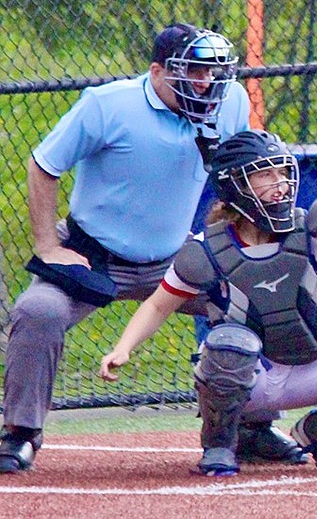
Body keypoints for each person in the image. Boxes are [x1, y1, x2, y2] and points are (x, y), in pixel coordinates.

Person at [0, 24, 299, 475]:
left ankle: (249, 428)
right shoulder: (108, 105)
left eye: (212, 73)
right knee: (38, 311)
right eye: (193, 72)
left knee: (255, 301)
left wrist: (235, 245)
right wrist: (47, 245)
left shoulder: (231, 99)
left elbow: (235, 177)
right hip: (93, 253)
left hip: (176, 254)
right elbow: (44, 165)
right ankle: (20, 434)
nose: (205, 84)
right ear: (157, 71)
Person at [99, 131, 317, 476]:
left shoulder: (307, 228)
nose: (279, 183)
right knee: (231, 343)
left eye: (282, 172)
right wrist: (123, 348)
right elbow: (158, 305)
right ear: (235, 184)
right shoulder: (207, 248)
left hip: (306, 365)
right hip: (246, 376)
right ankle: (221, 444)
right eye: (265, 174)